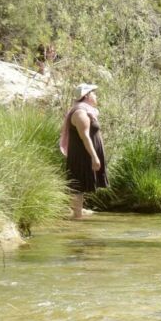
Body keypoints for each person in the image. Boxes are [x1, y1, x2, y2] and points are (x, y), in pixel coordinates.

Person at [60, 83, 108, 219]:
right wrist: (94, 156)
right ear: (87, 95)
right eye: (94, 93)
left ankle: (78, 214)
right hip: (81, 155)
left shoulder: (88, 111)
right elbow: (85, 136)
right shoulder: (80, 112)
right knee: (78, 186)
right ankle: (77, 217)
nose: (96, 95)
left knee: (80, 186)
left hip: (84, 153)